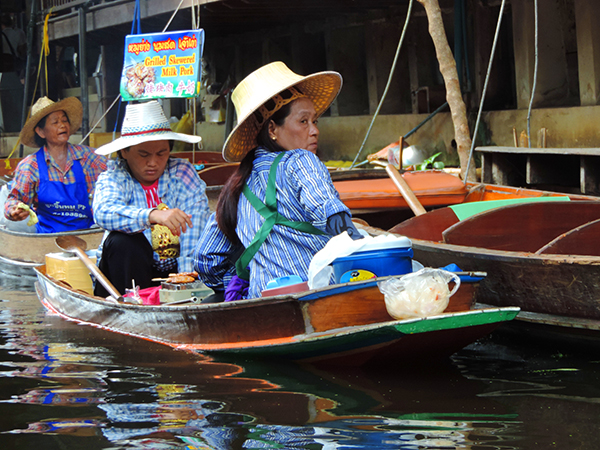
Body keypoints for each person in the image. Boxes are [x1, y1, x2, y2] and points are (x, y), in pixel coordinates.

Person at [194, 61, 362, 301]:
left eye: (315, 121)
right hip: (317, 298)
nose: (314, 130)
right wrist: (355, 240)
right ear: (272, 129)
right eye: (303, 121)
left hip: (260, 303)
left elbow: (206, 260)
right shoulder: (301, 160)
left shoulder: (237, 185)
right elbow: (329, 211)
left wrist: (244, 281)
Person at [92, 100, 210, 298]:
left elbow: (194, 228)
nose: (153, 163)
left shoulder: (182, 173)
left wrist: (184, 281)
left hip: (170, 274)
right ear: (124, 152)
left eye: (161, 153)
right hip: (126, 277)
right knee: (122, 242)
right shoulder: (115, 175)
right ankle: (132, 306)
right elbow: (103, 212)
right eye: (143, 155)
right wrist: (153, 216)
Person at [3, 96, 107, 233]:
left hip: (88, 234)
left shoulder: (90, 158)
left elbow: (113, 182)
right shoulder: (30, 166)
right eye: (55, 122)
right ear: (41, 132)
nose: (62, 125)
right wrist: (14, 210)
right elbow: (14, 199)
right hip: (47, 238)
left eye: (64, 120)